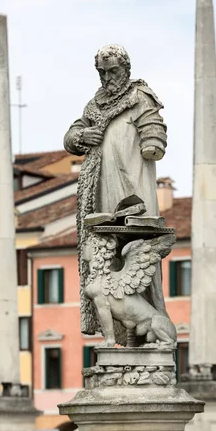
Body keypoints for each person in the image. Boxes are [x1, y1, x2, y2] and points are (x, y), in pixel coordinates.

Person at [64, 44, 169, 337]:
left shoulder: (140, 96)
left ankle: (147, 317)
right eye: (103, 72)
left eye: (113, 71)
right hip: (103, 186)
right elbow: (72, 135)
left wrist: (153, 142)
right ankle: (119, 331)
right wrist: (82, 135)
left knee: (138, 243)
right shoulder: (95, 104)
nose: (108, 78)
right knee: (107, 248)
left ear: (126, 69)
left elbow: (154, 124)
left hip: (134, 180)